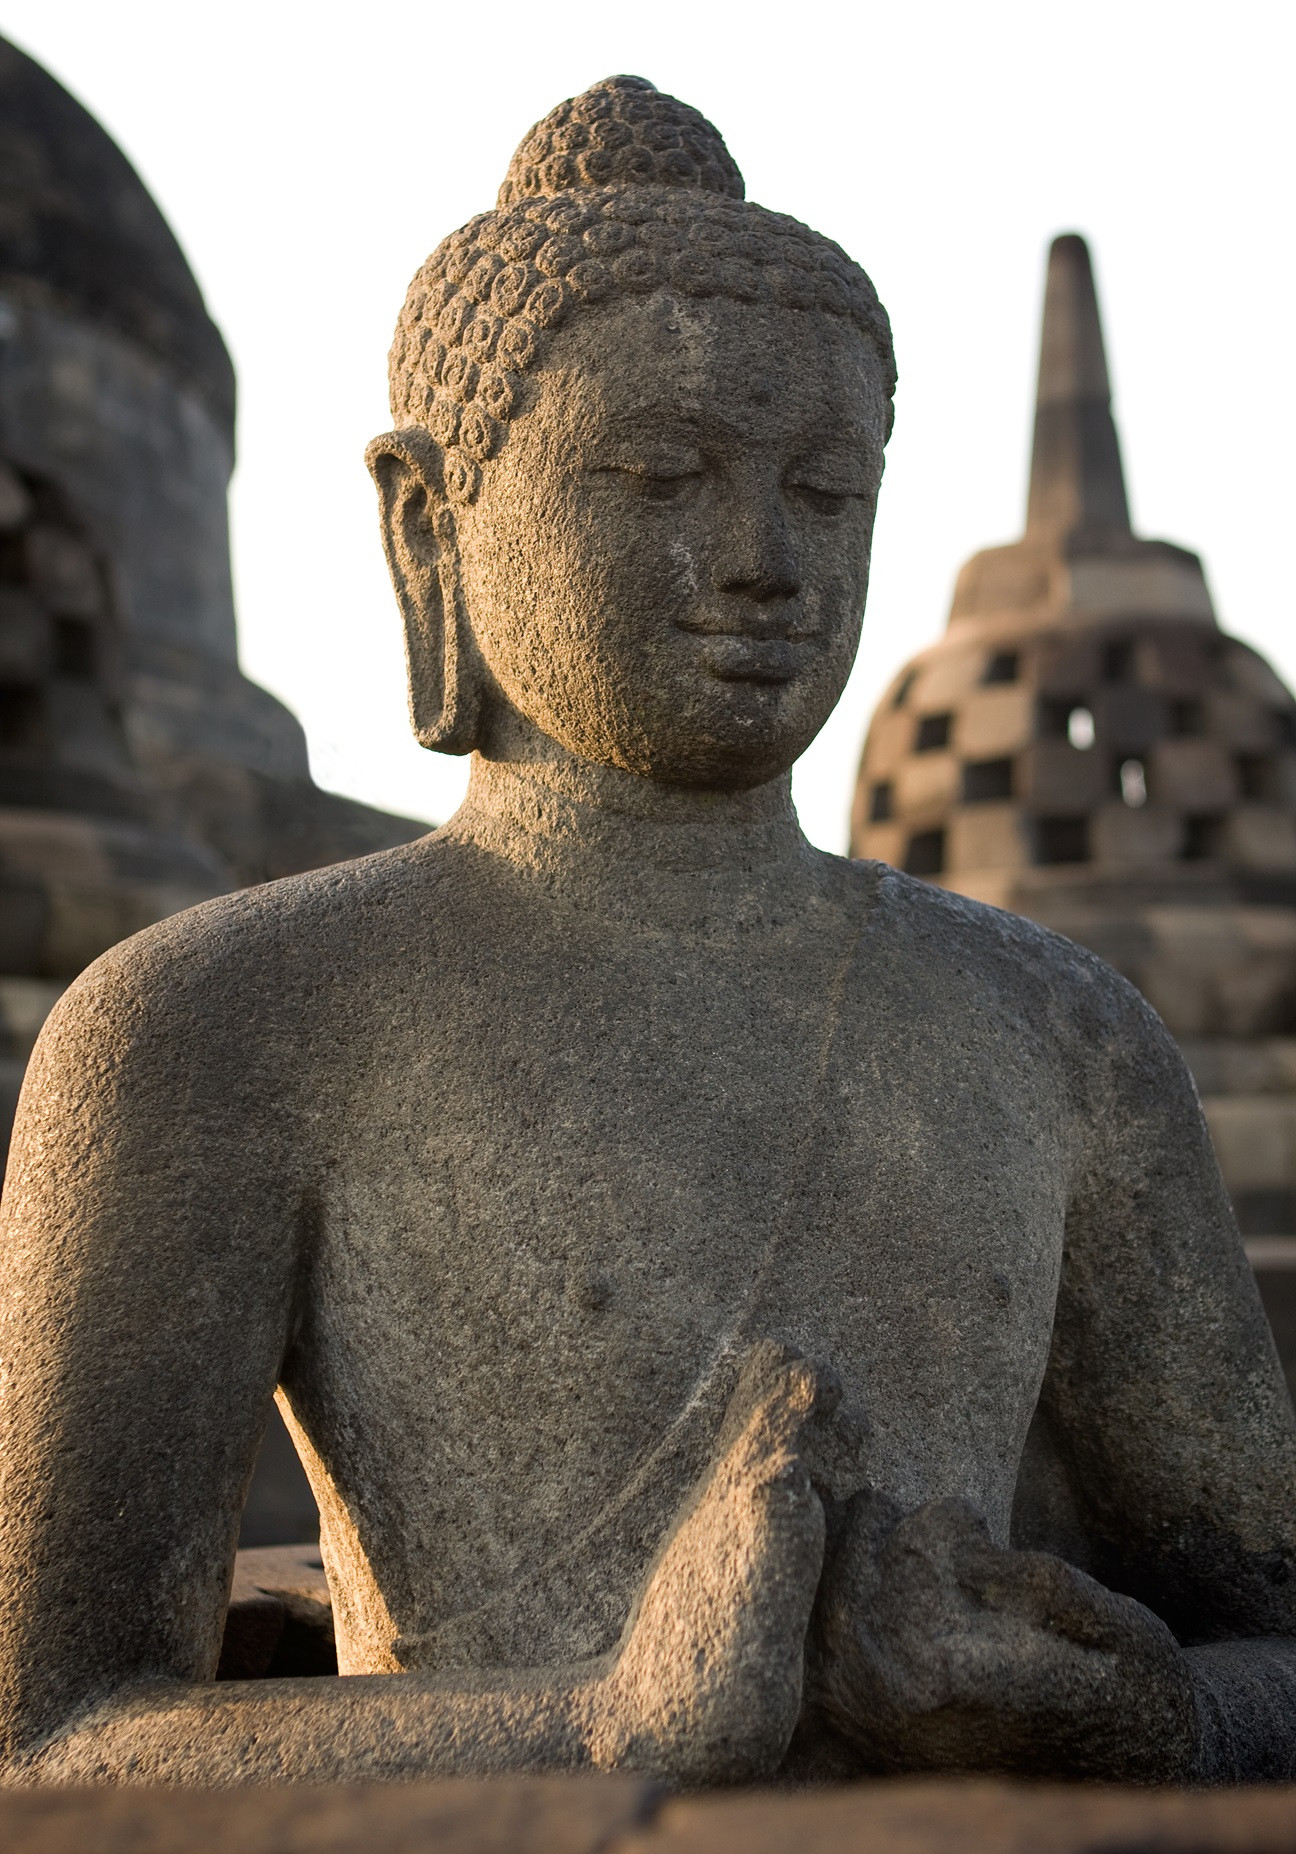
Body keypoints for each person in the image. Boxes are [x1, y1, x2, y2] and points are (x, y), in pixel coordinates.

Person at [2, 77, 1294, 1788]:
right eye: (662, 470)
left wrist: (1159, 1714)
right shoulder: (207, 1027)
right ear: (426, 524)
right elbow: (52, 1728)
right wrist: (599, 1719)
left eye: (828, 491)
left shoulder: (1061, 1034)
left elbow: (1270, 1627)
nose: (763, 559)